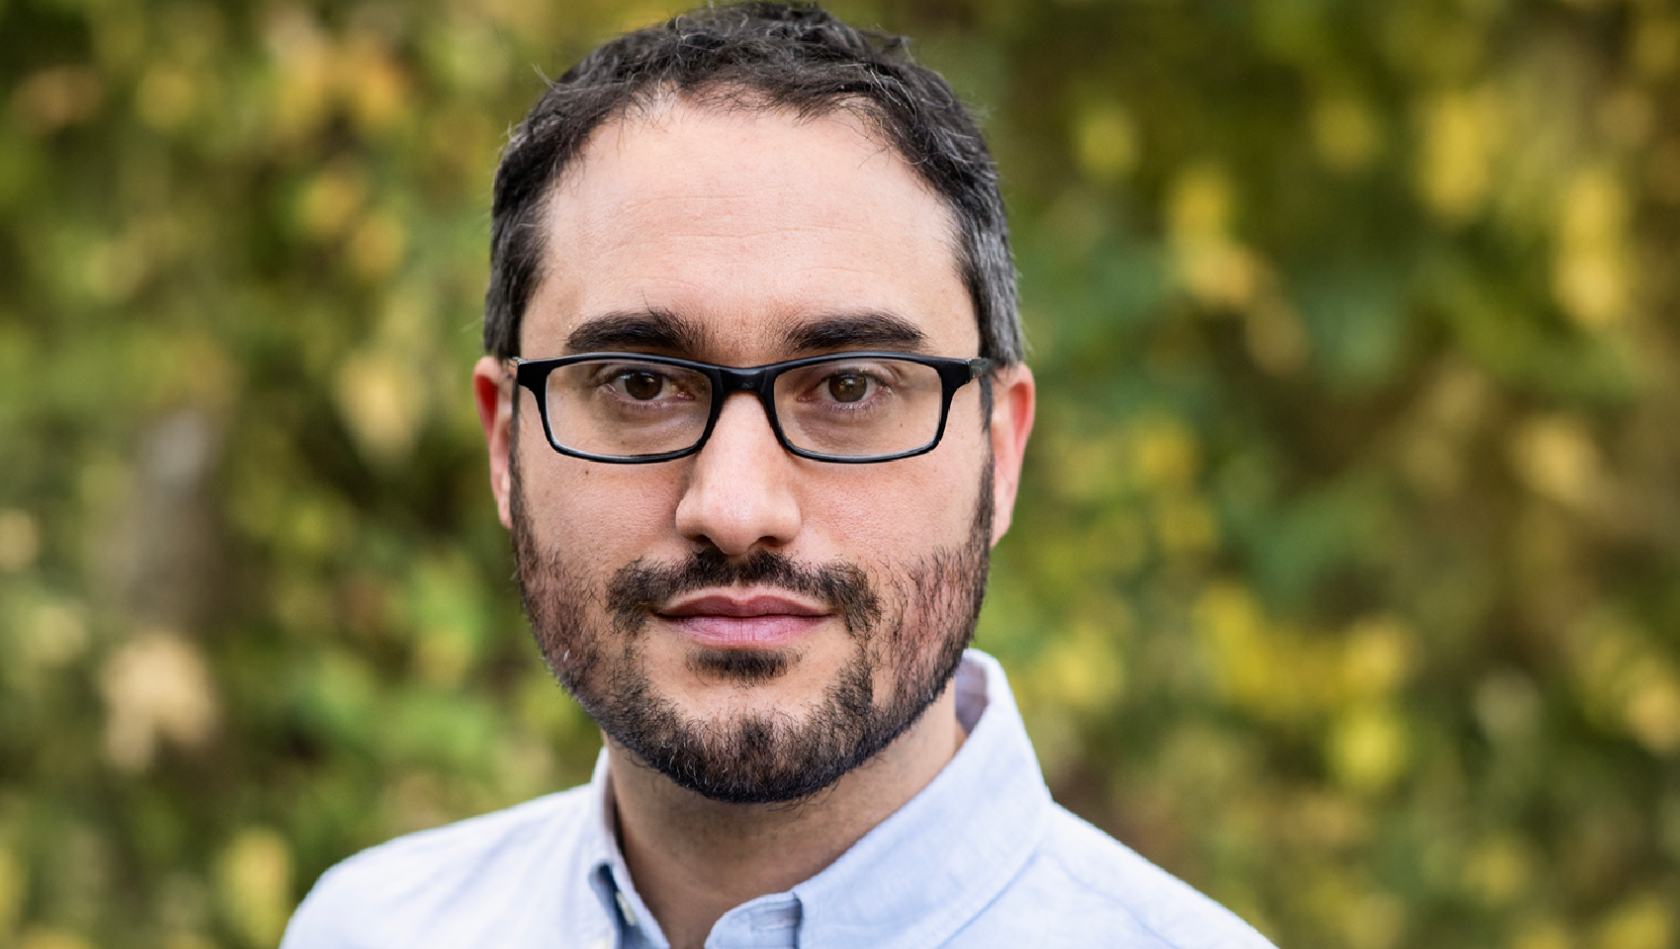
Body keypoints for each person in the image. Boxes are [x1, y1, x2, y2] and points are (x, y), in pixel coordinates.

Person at [283, 4, 1276, 947]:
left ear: (999, 452)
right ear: (506, 444)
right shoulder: (364, 930)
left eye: (848, 387)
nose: (735, 508)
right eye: (639, 384)